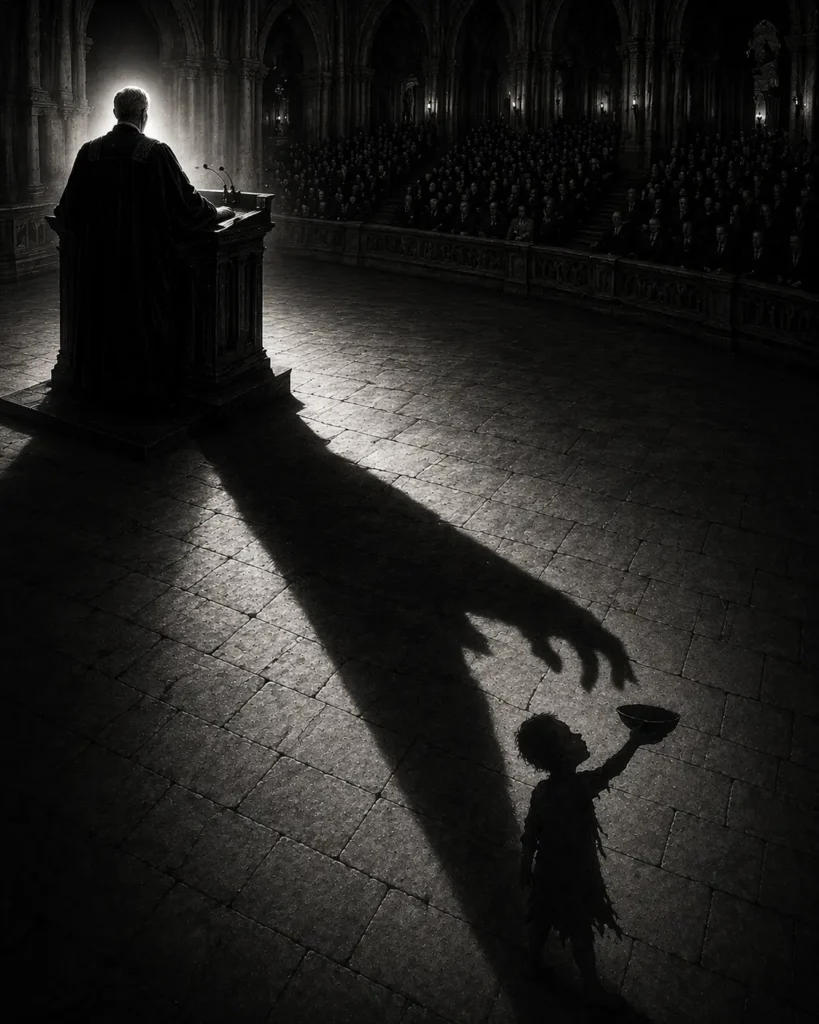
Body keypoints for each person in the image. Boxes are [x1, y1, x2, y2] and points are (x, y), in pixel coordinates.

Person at [53, 86, 231, 408]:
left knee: (102, 327)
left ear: (115, 113)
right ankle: (140, 397)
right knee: (140, 328)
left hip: (96, 271)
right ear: (144, 115)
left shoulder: (89, 152)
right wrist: (216, 212)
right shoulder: (154, 152)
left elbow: (66, 211)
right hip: (140, 268)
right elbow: (185, 204)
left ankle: (97, 391)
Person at [517, 712, 672, 1008]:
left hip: (547, 874)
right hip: (574, 877)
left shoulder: (543, 791)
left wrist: (526, 863)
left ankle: (533, 965)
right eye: (569, 737)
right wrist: (634, 742)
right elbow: (611, 770)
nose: (578, 735)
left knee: (540, 921)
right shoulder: (578, 789)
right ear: (560, 756)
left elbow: (531, 829)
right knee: (580, 933)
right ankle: (590, 986)